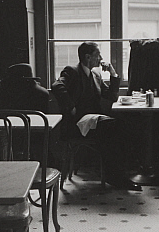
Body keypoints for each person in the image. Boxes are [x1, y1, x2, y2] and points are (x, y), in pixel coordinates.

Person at [51, 41, 140, 191]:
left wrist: (113, 73)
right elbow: (57, 86)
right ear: (87, 57)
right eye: (97, 55)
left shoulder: (96, 75)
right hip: (77, 123)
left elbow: (112, 96)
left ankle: (116, 175)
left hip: (95, 121)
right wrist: (70, 106)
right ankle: (115, 176)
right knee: (115, 126)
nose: (100, 58)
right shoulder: (72, 71)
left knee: (120, 126)